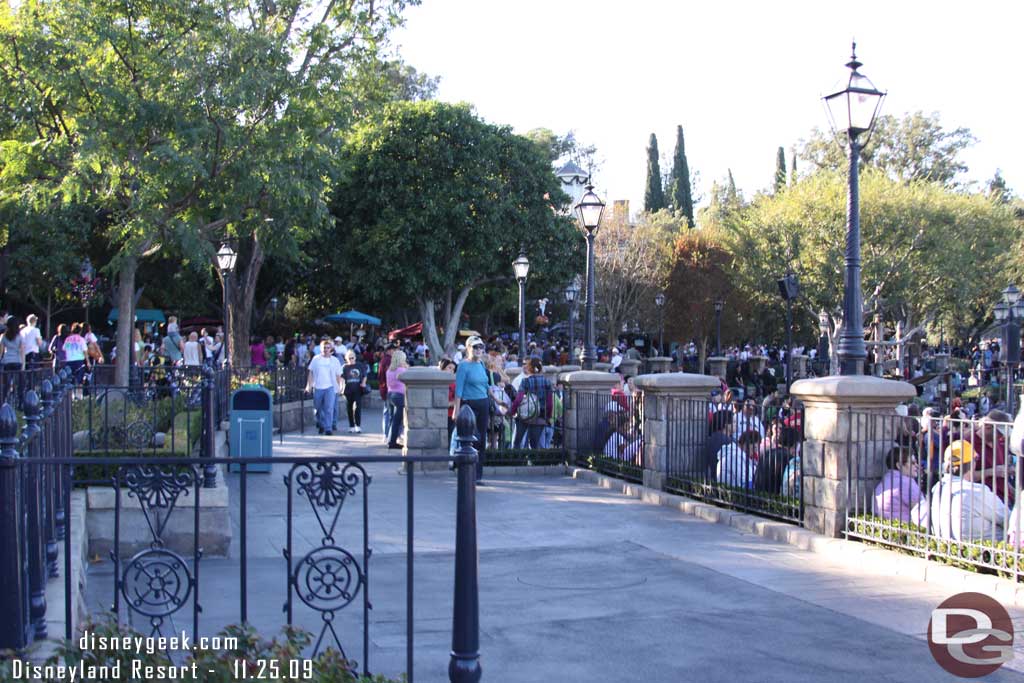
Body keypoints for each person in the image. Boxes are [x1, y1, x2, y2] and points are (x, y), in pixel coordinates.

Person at [930, 440, 1008, 542]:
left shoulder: (937, 488)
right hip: (987, 552)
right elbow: (1008, 519)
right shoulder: (976, 491)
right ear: (972, 464)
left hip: (948, 549)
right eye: (976, 459)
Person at [452, 336, 490, 483]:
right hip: (469, 405)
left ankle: (478, 475)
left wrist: (497, 400)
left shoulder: (481, 364)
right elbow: (459, 390)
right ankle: (465, 471)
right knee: (471, 439)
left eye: (481, 347)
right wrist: (456, 409)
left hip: (483, 403)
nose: (479, 350)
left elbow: (486, 385)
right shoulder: (463, 366)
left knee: (481, 440)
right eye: (475, 347)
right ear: (468, 348)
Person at [873, 446, 928, 526]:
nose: (917, 466)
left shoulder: (886, 481)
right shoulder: (906, 483)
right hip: (905, 531)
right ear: (899, 465)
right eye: (912, 463)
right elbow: (923, 514)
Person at [509, 357, 553, 450]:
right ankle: (533, 463)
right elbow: (549, 403)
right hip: (540, 415)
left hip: (524, 416)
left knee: (517, 442)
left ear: (529, 368)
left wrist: (512, 411)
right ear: (541, 368)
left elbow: (518, 399)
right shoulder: (547, 382)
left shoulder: (525, 381)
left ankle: (518, 462)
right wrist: (548, 416)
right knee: (534, 445)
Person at [305, 339, 342, 435]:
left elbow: (338, 375)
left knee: (329, 408)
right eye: (324, 348)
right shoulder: (316, 359)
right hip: (318, 387)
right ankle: (321, 423)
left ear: (331, 349)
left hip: (330, 387)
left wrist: (338, 387)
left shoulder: (335, 360)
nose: (326, 349)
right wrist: (308, 386)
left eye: (328, 348)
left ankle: (328, 428)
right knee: (318, 408)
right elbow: (311, 373)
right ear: (321, 349)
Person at [700, 410, 734, 481]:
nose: (736, 424)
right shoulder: (728, 441)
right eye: (734, 422)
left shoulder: (711, 438)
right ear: (726, 424)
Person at [385, 350, 409, 449]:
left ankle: (389, 438)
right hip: (399, 395)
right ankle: (392, 442)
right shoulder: (402, 370)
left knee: (391, 419)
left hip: (390, 394)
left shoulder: (389, 370)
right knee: (397, 420)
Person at [341, 350, 369, 433]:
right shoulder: (344, 367)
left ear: (355, 357)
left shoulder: (359, 365)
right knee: (349, 408)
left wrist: (363, 383)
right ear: (346, 358)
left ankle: (358, 425)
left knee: (357, 407)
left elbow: (364, 376)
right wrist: (341, 388)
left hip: (358, 389)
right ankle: (351, 426)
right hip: (348, 390)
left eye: (352, 357)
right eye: (349, 358)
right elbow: (342, 378)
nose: (351, 359)